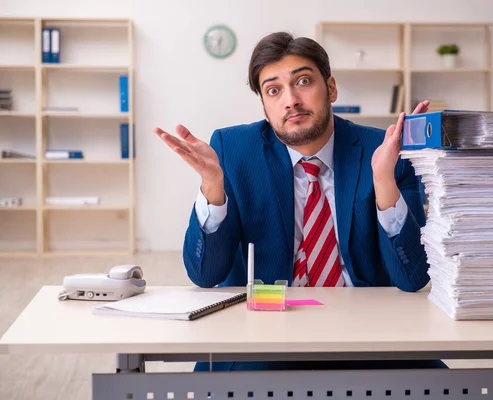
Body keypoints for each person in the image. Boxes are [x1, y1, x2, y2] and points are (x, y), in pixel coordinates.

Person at [154, 31, 444, 371]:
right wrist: (212, 184)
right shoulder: (233, 151)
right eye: (273, 90)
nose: (290, 100)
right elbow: (204, 275)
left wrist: (383, 180)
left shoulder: (384, 151)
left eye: (303, 81)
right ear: (264, 105)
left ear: (331, 88)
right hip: (263, 334)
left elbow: (412, 277)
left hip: (367, 334)